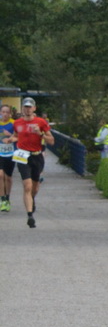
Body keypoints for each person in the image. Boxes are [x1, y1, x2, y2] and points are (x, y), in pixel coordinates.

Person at [10, 97, 56, 229]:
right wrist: (10, 139)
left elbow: (51, 141)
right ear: (22, 108)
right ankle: (30, 215)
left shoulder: (41, 122)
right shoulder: (17, 123)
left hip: (37, 156)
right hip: (23, 156)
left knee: (34, 187)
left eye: (30, 107)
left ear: (34, 108)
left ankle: (32, 199)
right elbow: (16, 136)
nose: (27, 109)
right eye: (25, 107)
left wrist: (40, 134)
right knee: (27, 186)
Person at [0, 103, 15, 213]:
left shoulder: (14, 124)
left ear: (10, 114)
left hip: (10, 154)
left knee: (8, 178)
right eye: (3, 112)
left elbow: (19, 137)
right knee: (0, 175)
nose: (5, 114)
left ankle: (8, 197)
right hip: (0, 153)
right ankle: (2, 199)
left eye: (7, 112)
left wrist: (9, 135)